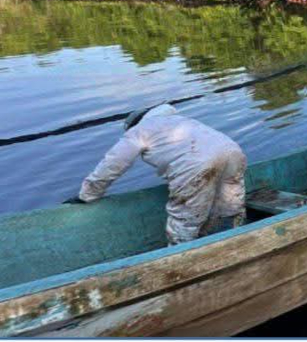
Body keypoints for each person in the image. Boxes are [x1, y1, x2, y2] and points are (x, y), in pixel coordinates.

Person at [67, 103, 247, 246]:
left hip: (194, 164)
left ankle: (181, 259)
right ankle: (234, 242)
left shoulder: (139, 131)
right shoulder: (179, 120)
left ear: (133, 125)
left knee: (185, 220)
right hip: (232, 151)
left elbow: (113, 164)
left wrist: (88, 194)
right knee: (230, 206)